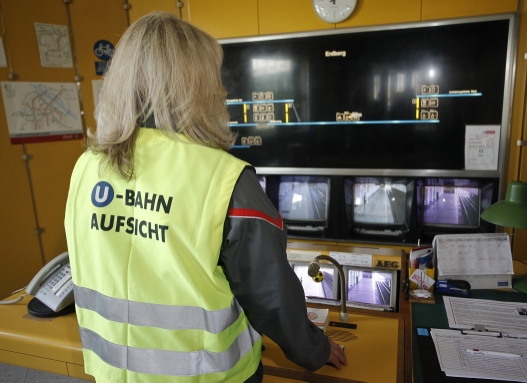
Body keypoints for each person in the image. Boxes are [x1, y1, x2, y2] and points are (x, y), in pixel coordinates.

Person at [64, 11, 346, 383]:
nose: (223, 90)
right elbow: (271, 297)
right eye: (214, 76)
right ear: (194, 85)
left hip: (114, 373)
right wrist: (315, 350)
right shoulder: (225, 178)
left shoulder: (86, 167)